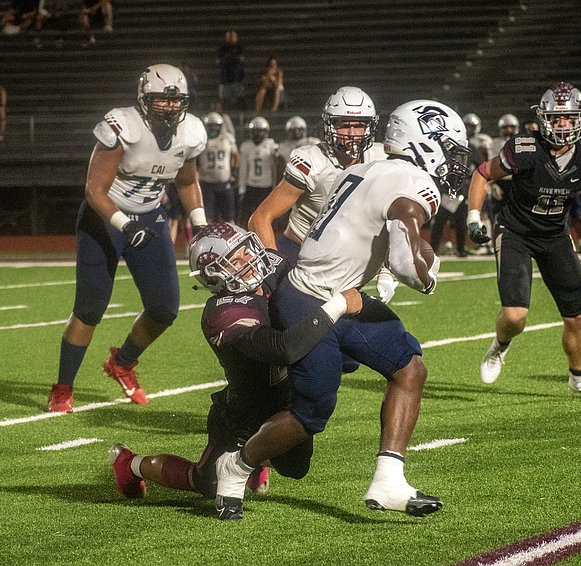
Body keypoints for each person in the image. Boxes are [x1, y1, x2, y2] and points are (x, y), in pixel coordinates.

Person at [213, 99, 473, 521]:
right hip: (311, 299)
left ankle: (388, 479)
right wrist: (430, 268)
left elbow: (377, 233)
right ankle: (236, 465)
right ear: (424, 144)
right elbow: (412, 269)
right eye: (448, 148)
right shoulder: (410, 184)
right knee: (311, 412)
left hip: (335, 292)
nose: (452, 161)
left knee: (409, 367)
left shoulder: (365, 168)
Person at [109, 223, 361, 513]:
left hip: (286, 396)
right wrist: (337, 307)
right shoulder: (225, 313)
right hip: (244, 411)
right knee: (205, 483)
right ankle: (130, 464)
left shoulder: (273, 267)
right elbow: (283, 349)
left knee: (295, 468)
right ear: (214, 275)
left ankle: (252, 459)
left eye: (245, 252)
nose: (248, 262)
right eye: (235, 261)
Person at [46, 64, 208, 413]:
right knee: (89, 309)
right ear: (143, 99)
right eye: (161, 100)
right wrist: (125, 224)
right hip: (105, 218)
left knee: (164, 309)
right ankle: (63, 387)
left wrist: (200, 224)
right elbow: (94, 190)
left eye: (175, 100)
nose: (169, 107)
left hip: (150, 216)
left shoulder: (191, 132)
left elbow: (186, 182)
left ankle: (122, 362)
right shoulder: (124, 127)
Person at [467, 82, 581, 401]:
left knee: (576, 315)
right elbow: (483, 174)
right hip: (515, 232)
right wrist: (473, 216)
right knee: (514, 316)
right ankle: (500, 346)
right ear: (544, 118)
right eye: (557, 118)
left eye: (569, 118)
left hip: (555, 236)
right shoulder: (524, 147)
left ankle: (579, 378)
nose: (563, 124)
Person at [248, 86, 383, 265]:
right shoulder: (312, 161)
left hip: (343, 263)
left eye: (359, 125)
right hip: (298, 254)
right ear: (330, 125)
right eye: (344, 124)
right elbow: (260, 218)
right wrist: (274, 266)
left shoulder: (381, 159)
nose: (352, 133)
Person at [237, 116, 279, 227]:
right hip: (251, 185)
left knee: (266, 214)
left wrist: (275, 186)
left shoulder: (271, 145)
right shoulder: (246, 146)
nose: (258, 134)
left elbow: (274, 168)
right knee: (247, 215)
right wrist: (242, 189)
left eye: (260, 131)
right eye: (255, 131)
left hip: (266, 185)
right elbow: (243, 168)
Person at [199, 112, 239, 223]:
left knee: (228, 217)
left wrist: (233, 173)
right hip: (207, 182)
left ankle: (232, 239)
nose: (213, 128)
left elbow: (236, 155)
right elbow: (192, 156)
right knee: (208, 218)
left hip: (224, 181)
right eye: (210, 125)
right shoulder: (201, 138)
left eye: (215, 125)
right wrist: (197, 170)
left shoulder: (227, 138)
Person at [216, 30, 245, 110]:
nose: (231, 38)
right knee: (224, 98)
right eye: (230, 36)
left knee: (239, 98)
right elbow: (219, 60)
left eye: (233, 36)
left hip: (237, 77)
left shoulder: (239, 47)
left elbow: (241, 59)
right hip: (225, 77)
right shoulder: (223, 48)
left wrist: (231, 58)